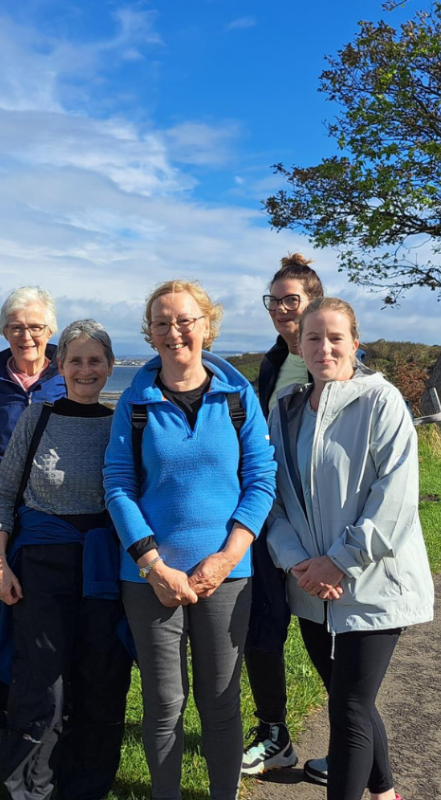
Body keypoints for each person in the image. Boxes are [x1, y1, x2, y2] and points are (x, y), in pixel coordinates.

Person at [104, 279, 277, 800]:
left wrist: (227, 557)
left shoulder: (239, 397)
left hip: (227, 576)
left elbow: (262, 478)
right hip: (150, 578)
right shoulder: (134, 404)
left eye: (185, 320)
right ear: (150, 333)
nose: (174, 331)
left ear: (207, 326)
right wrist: (153, 564)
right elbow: (117, 484)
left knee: (221, 702)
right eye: (162, 322)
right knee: (163, 703)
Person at [265, 297, 435, 800]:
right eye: (313, 338)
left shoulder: (380, 402)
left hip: (373, 585)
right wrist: (298, 561)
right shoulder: (287, 409)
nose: (324, 347)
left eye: (336, 337)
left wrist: (338, 562)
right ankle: (384, 794)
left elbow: (395, 498)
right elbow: (272, 498)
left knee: (350, 708)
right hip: (311, 588)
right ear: (300, 345)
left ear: (355, 344)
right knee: (349, 699)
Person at [0, 319, 133, 800]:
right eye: (76, 360)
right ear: (60, 366)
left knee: (101, 677)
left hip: (104, 569)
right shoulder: (39, 418)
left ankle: (85, 786)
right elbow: (5, 494)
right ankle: (29, 787)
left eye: (95, 361)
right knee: (41, 683)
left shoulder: (121, 425)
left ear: (109, 367)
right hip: (41, 565)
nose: (85, 369)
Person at [0, 287, 67, 762]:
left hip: (55, 513)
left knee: (49, 617)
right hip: (0, 511)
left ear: (51, 331)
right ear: (3, 331)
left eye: (35, 327)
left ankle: (56, 715)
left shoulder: (67, 373)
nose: (26, 335)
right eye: (15, 327)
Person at [243, 253, 327, 779]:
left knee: (328, 640)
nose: (280, 309)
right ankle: (274, 733)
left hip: (320, 520)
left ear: (314, 303)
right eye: (274, 300)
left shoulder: (337, 359)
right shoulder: (274, 362)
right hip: (269, 511)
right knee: (263, 625)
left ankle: (358, 745)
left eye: (290, 300)